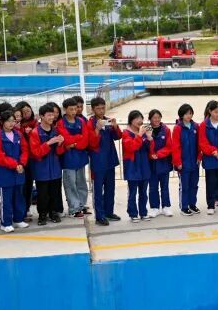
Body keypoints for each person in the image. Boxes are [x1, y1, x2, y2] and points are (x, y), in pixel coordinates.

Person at [0, 109, 30, 232]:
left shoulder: (18, 135)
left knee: (19, 197)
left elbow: (25, 150)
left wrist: (22, 163)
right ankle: (5, 222)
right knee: (6, 199)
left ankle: (18, 219)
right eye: (8, 121)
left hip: (18, 171)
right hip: (4, 172)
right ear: (2, 122)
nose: (11, 123)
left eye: (13, 121)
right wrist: (15, 165)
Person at [28, 102, 65, 226]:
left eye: (52, 115)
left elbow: (60, 152)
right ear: (41, 116)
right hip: (41, 169)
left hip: (55, 168)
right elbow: (36, 152)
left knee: (55, 192)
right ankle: (42, 215)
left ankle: (53, 213)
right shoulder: (35, 132)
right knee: (42, 194)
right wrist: (49, 143)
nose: (51, 117)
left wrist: (60, 144)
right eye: (48, 115)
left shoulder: (55, 130)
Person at [88, 97, 121, 226]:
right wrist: (97, 129)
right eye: (98, 108)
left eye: (103, 108)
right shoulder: (90, 123)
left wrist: (115, 126)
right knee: (98, 189)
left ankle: (109, 212)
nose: (101, 111)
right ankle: (99, 216)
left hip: (110, 159)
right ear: (93, 109)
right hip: (98, 161)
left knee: (110, 188)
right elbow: (91, 144)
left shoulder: (108, 120)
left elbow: (118, 137)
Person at [56, 97, 91, 218]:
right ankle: (74, 208)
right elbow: (66, 139)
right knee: (70, 184)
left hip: (80, 156)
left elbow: (85, 139)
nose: (74, 111)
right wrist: (77, 138)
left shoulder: (81, 121)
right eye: (71, 109)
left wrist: (75, 144)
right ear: (65, 109)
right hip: (68, 158)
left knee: (81, 182)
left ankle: (82, 204)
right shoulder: (61, 123)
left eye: (75, 109)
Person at [120, 110, 152, 223]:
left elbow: (149, 149)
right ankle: (133, 213)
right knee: (133, 191)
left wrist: (149, 138)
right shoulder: (126, 133)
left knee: (143, 192)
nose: (140, 121)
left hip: (144, 165)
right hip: (133, 166)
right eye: (137, 118)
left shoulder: (143, 132)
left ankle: (143, 212)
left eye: (141, 118)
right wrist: (139, 135)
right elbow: (132, 147)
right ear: (131, 120)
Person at [144, 108, 175, 218]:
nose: (156, 120)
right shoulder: (146, 130)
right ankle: (154, 208)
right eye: (154, 118)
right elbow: (145, 146)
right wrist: (152, 154)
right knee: (153, 187)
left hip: (164, 162)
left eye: (158, 117)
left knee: (164, 186)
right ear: (150, 119)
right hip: (151, 163)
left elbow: (169, 146)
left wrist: (159, 154)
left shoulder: (166, 130)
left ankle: (166, 206)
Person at [175, 104, 200, 215]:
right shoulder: (178, 128)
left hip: (194, 162)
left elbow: (199, 144)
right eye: (186, 114)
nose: (189, 116)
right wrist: (178, 162)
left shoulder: (196, 126)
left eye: (190, 113)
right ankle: (184, 207)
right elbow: (175, 147)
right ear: (181, 115)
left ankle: (192, 204)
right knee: (184, 186)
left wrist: (199, 157)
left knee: (194, 185)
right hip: (183, 163)